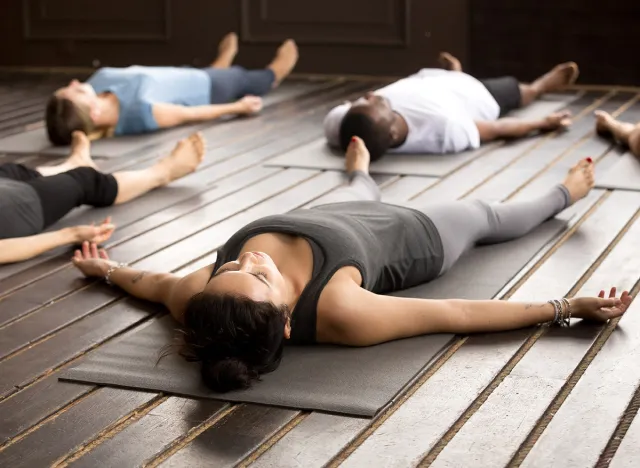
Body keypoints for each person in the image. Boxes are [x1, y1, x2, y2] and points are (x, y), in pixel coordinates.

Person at [71, 136, 632, 393]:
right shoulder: (341, 311)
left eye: (231, 266)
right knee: (486, 214)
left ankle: (359, 173)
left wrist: (107, 271)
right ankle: (565, 192)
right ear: (289, 321)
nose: (252, 256)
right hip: (415, 234)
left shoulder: (202, 297)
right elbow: (456, 312)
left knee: (357, 189)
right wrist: (568, 305)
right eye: (260, 274)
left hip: (336, 213)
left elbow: (152, 282)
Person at [45, 33, 299, 145]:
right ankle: (274, 73)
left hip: (184, 73)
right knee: (240, 78)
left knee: (211, 70)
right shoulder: (140, 112)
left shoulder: (96, 84)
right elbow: (188, 114)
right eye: (75, 91)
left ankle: (219, 63)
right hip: (207, 88)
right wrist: (238, 106)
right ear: (95, 115)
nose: (75, 83)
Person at [323, 52, 579, 161]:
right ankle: (542, 85)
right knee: (520, 92)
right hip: (474, 95)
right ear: (392, 132)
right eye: (377, 103)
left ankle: (453, 72)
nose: (370, 95)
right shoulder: (444, 129)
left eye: (367, 100)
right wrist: (543, 123)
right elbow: (495, 129)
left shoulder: (344, 125)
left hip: (434, 82)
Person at [0, 131, 206, 264]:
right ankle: (163, 172)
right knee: (86, 180)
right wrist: (70, 234)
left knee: (12, 171)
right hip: (16, 208)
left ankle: (71, 165)